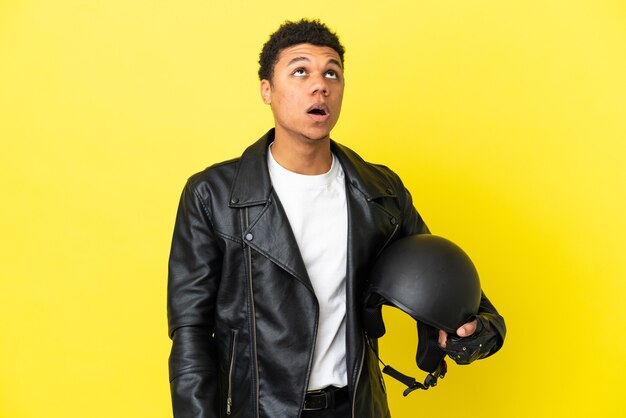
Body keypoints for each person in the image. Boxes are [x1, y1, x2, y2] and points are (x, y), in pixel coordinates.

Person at [167, 19, 505, 418]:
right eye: (300, 71)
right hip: (258, 410)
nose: (319, 85)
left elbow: (444, 282)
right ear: (266, 90)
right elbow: (190, 333)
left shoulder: (379, 191)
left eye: (332, 73)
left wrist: (479, 331)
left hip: (355, 408)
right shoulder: (212, 195)